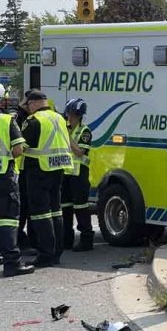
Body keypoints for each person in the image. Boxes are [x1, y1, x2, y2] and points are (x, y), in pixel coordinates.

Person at [21, 90, 73, 267]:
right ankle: (57, 251)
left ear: (34, 103)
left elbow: (22, 147)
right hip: (58, 169)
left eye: (28, 105)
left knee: (41, 214)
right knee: (56, 212)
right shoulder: (59, 117)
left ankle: (46, 254)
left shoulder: (33, 121)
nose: (28, 108)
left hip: (39, 170)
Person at [0, 84, 35, 277]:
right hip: (4, 177)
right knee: (8, 220)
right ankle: (11, 262)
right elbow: (18, 149)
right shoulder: (7, 121)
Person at [61, 98, 94, 251]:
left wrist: (67, 137)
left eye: (72, 114)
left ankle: (86, 239)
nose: (69, 117)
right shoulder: (66, 127)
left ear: (78, 115)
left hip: (79, 174)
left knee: (80, 207)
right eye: (68, 114)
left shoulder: (85, 131)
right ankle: (66, 239)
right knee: (65, 207)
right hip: (66, 173)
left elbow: (80, 152)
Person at [14, 90, 36, 253]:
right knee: (20, 207)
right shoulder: (18, 117)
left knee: (25, 206)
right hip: (18, 168)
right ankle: (19, 239)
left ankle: (22, 238)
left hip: (23, 168)